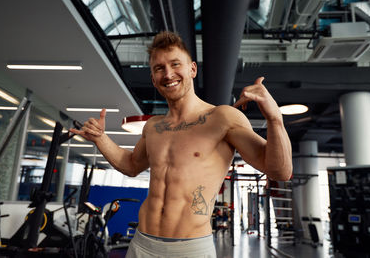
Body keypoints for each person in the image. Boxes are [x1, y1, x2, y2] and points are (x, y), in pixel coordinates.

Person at [70, 31, 292, 258]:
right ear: (153, 78)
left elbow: (280, 171)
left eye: (176, 64)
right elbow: (131, 165)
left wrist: (275, 119)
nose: (168, 74)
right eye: (159, 68)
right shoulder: (153, 126)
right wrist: (101, 139)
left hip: (190, 248)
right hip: (142, 244)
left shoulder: (223, 118)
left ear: (192, 69)